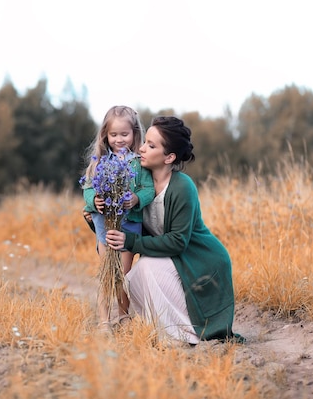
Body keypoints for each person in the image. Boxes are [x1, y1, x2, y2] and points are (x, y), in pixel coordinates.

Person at [105, 116, 240, 344]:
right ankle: (165, 331)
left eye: (151, 145)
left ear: (169, 157)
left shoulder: (182, 186)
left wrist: (131, 242)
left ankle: (183, 335)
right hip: (175, 261)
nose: (141, 148)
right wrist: (94, 215)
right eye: (145, 142)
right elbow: (121, 222)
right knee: (133, 277)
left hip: (201, 262)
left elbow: (178, 241)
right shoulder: (138, 183)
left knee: (145, 266)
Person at [80, 105, 155, 333]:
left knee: (123, 274)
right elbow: (88, 187)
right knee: (106, 273)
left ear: (134, 134)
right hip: (105, 226)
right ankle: (104, 321)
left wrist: (135, 198)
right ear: (105, 135)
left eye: (125, 134)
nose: (119, 139)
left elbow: (148, 189)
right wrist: (94, 201)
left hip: (129, 226)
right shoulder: (100, 161)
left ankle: (123, 316)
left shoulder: (139, 163)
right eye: (114, 135)